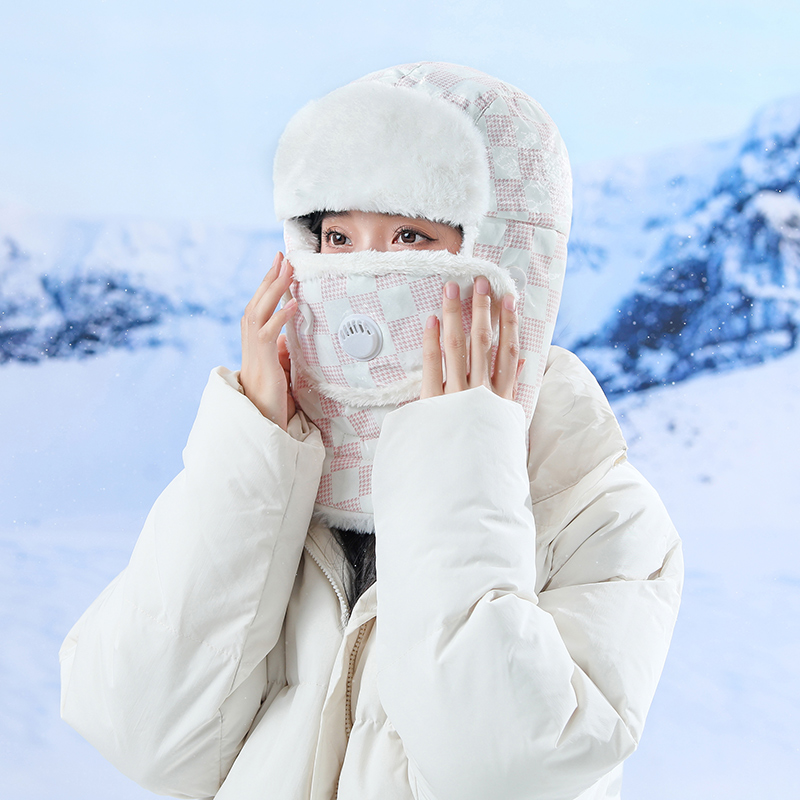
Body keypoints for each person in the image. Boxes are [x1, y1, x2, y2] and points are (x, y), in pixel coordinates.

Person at [60, 62, 683, 800]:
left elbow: (501, 766)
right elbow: (144, 734)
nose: (363, 276)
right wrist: (254, 456)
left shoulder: (601, 517)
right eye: (336, 237)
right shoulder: (285, 482)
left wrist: (457, 457)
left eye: (411, 235)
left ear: (502, 254)